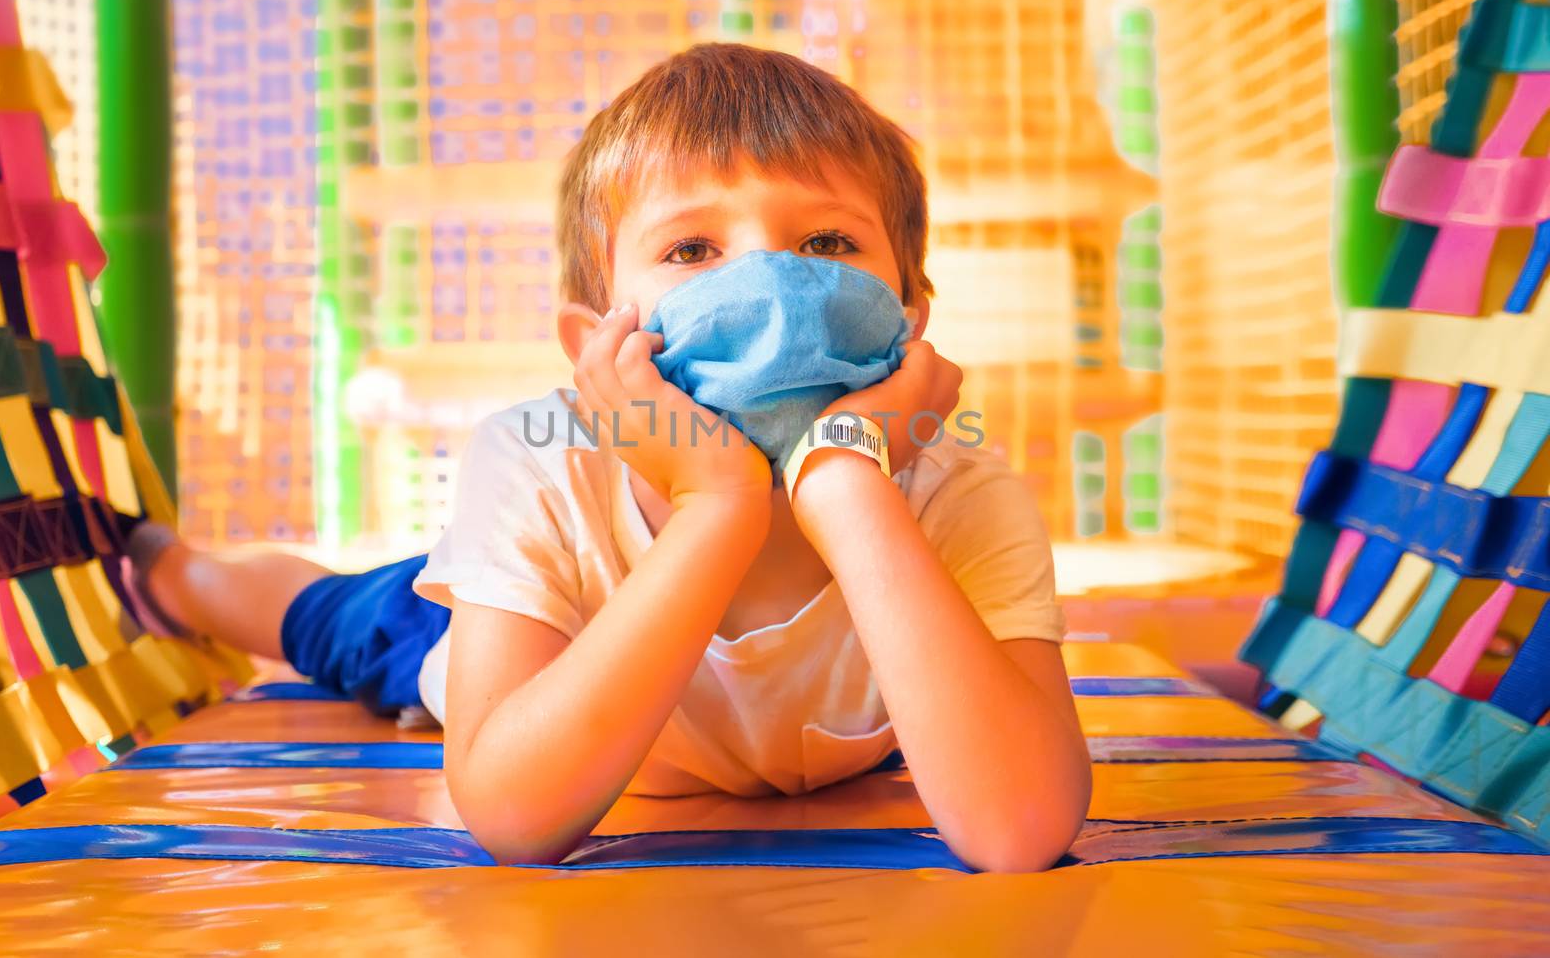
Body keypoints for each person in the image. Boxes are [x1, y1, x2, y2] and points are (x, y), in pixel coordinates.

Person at [129, 42, 1090, 873]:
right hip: (519, 650)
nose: (767, 279)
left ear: (911, 321)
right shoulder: (536, 467)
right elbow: (512, 813)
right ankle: (172, 573)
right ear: (596, 342)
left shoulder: (958, 494)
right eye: (691, 249)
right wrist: (717, 504)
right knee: (326, 617)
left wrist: (845, 478)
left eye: (828, 240)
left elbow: (1018, 827)